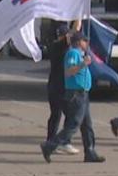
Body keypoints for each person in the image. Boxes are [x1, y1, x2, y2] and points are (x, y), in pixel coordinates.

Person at [40, 32, 104, 163]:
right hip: (76, 94)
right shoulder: (73, 53)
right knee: (73, 124)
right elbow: (69, 71)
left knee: (87, 125)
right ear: (79, 42)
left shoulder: (80, 54)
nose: (87, 44)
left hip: (83, 93)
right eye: (85, 41)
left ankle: (90, 151)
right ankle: (50, 145)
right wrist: (83, 64)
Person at [45, 22, 80, 155]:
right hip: (60, 88)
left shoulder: (55, 46)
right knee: (71, 115)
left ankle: (51, 141)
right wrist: (78, 18)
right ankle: (63, 142)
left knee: (56, 115)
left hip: (54, 86)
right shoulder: (59, 46)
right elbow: (74, 32)